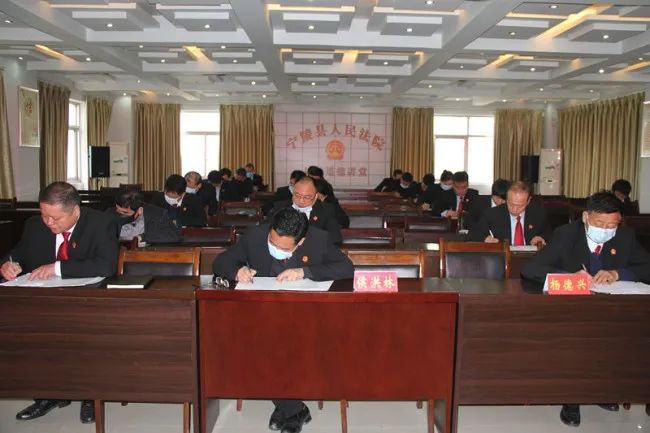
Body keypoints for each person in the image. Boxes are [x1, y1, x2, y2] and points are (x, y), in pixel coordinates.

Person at [213, 207, 354, 433]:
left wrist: (304, 272)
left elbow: (346, 268)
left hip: (307, 318)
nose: (276, 249)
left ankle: (287, 409)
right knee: (251, 344)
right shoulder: (255, 235)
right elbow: (221, 262)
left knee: (284, 347)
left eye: (284, 248)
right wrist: (237, 270)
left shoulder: (318, 239)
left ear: (301, 242)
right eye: (273, 243)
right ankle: (294, 409)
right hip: (263, 316)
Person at [522, 191, 650, 427]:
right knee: (579, 338)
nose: (606, 230)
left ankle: (604, 391)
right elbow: (531, 269)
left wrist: (619, 273)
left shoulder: (625, 236)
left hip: (612, 311)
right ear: (585, 217)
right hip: (573, 312)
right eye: (600, 224)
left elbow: (647, 267)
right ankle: (572, 400)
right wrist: (570, 276)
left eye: (612, 225)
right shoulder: (566, 234)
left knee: (625, 336)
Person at [0, 181, 119, 425]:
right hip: (44, 302)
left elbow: (106, 265)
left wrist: (57, 268)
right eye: (45, 215)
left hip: (87, 302)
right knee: (34, 339)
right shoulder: (35, 225)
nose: (49, 223)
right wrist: (8, 263)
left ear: (75, 210)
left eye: (56, 218)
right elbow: (18, 252)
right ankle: (48, 395)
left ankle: (89, 397)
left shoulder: (101, 223)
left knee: (85, 341)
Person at [469, 181, 551, 247]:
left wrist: (542, 239)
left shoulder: (538, 214)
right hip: (503, 257)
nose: (514, 209)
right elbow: (473, 235)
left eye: (520, 206)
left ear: (528, 201)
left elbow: (549, 236)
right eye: (511, 204)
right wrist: (485, 239)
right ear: (507, 198)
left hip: (531, 258)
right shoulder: (491, 214)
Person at [270, 176, 342, 245]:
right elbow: (267, 232)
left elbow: (336, 238)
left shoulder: (326, 210)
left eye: (307, 197)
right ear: (293, 193)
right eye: (297, 195)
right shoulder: (279, 207)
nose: (301, 201)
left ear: (315, 197)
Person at [109, 188, 182, 244]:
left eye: (125, 212)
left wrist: (143, 237)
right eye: (118, 210)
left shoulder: (158, 214)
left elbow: (175, 236)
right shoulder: (110, 213)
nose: (120, 214)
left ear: (139, 210)